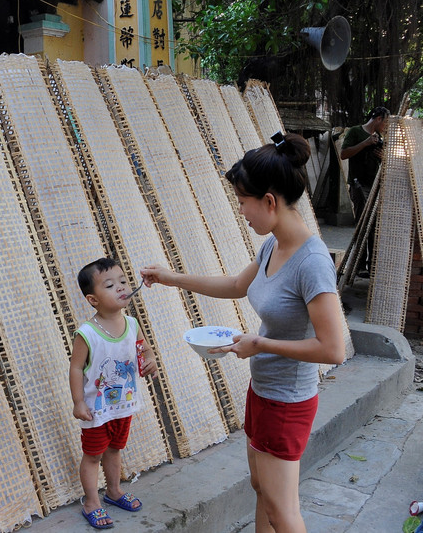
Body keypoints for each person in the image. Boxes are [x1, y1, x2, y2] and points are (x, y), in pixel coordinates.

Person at [141, 132, 345, 533]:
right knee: (262, 490)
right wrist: (170, 278)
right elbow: (237, 286)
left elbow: (333, 349)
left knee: (283, 509)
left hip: (287, 403)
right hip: (264, 391)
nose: (241, 211)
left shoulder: (313, 262)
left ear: (269, 201)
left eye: (242, 201)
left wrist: (261, 344)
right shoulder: (273, 245)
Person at [70, 257, 157, 530]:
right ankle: (91, 502)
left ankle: (114, 491)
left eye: (123, 281)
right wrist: (78, 402)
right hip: (96, 410)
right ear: (93, 300)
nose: (121, 288)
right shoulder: (87, 333)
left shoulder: (131, 324)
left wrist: (151, 360)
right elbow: (75, 369)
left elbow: (144, 349)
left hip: (122, 406)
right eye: (110, 285)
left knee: (116, 449)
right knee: (93, 456)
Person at [340, 106, 389, 275]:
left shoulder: (380, 138)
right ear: (378, 119)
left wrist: (382, 157)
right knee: (362, 224)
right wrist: (365, 143)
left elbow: (383, 163)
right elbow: (344, 154)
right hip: (358, 185)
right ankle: (359, 266)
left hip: (374, 186)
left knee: (374, 226)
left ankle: (371, 266)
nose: (385, 126)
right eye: (385, 122)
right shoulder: (355, 132)